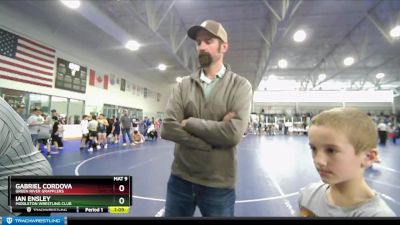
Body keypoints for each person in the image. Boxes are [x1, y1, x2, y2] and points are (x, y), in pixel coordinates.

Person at [160, 20, 252, 217]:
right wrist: (209, 142)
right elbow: (167, 127)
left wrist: (189, 122)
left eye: (208, 41)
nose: (201, 46)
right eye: (198, 43)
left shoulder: (240, 86)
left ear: (224, 47)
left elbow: (233, 134)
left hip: (219, 184)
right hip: (180, 180)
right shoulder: (183, 85)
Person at [298, 107, 396, 217]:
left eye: (331, 150)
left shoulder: (376, 215)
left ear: (368, 157)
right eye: (314, 149)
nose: (318, 161)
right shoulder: (308, 196)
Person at [0, 97, 53, 216]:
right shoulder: (32, 117)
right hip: (32, 138)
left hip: (23, 190)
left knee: (41, 143)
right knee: (37, 143)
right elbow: (30, 124)